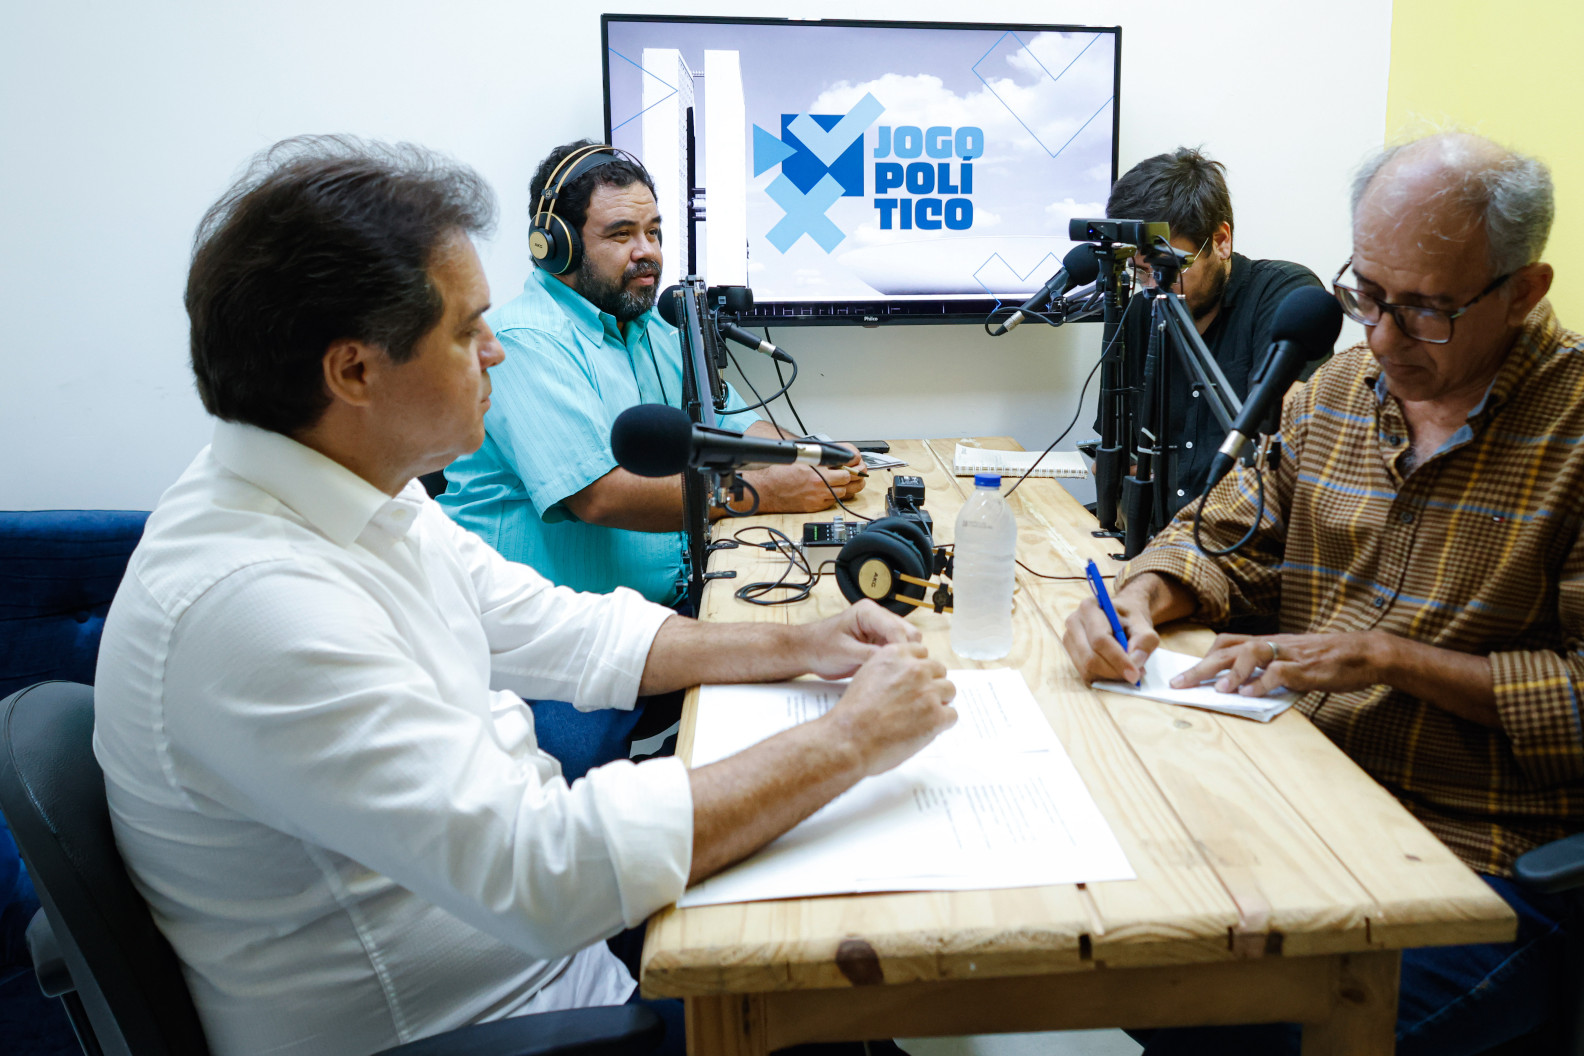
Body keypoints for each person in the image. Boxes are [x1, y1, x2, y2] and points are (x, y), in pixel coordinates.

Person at [92, 137, 956, 1056]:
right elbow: (540, 871)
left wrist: (803, 644)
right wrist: (847, 740)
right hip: (511, 1024)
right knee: (849, 999)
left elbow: (561, 630)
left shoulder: (344, 486)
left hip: (548, 962)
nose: (497, 352)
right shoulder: (252, 606)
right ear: (353, 372)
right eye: (468, 332)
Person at [1066, 133, 1584, 1056]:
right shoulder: (1333, 393)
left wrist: (1388, 659)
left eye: (1425, 311)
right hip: (1309, 798)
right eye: (1366, 293)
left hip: (1492, 861)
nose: (1380, 335)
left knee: (1240, 1026)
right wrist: (1141, 595)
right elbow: (1226, 535)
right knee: (1133, 949)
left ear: (1524, 291)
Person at [437, 140, 865, 611]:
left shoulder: (653, 326)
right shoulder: (526, 340)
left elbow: (730, 424)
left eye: (653, 232)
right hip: (547, 638)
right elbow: (601, 497)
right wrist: (767, 490)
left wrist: (808, 455)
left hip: (664, 610)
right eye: (622, 235)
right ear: (557, 247)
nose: (648, 253)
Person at [1105, 148, 1326, 512]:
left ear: (1221, 241)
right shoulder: (1141, 310)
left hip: (1237, 540)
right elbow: (1121, 460)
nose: (1151, 287)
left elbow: (1283, 448)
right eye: (1139, 271)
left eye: (1166, 269)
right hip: (1152, 537)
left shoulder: (1284, 294)